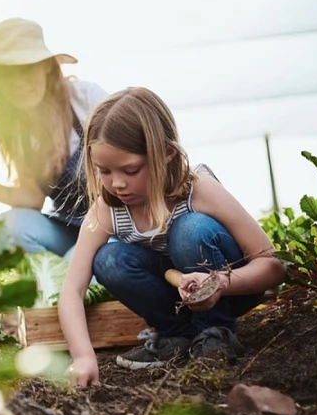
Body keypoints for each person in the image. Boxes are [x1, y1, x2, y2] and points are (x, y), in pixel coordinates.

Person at [57, 87, 286, 387]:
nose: (117, 183)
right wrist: (83, 357)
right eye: (104, 171)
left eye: (130, 170)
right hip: (178, 298)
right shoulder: (106, 212)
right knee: (109, 259)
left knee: (189, 230)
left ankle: (215, 333)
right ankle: (178, 335)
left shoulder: (198, 190)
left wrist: (218, 283)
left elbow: (273, 266)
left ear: (167, 153)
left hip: (231, 291)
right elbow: (71, 291)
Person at [0, 18, 108, 255]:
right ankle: (54, 273)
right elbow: (32, 198)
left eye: (25, 69)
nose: (18, 83)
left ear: (46, 68)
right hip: (68, 230)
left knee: (75, 262)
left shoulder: (87, 99)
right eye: (7, 73)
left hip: (113, 230)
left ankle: (69, 275)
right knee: (11, 225)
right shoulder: (17, 132)